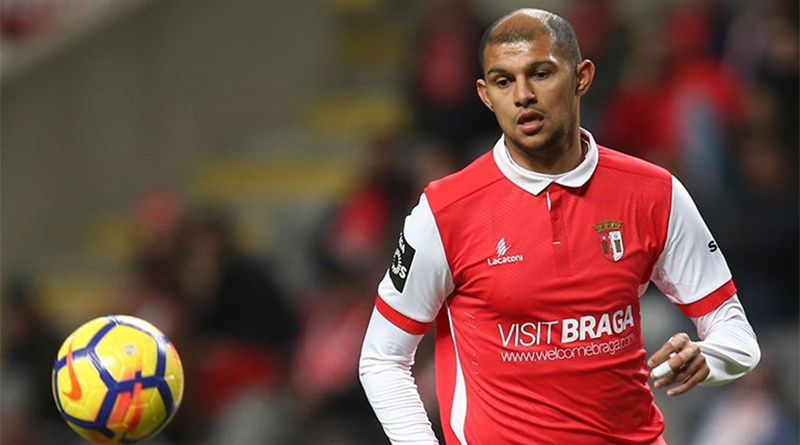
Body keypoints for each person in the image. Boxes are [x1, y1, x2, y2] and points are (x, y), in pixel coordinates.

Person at [359, 8, 760, 445]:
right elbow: (382, 358)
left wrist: (709, 359)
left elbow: (735, 332)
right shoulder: (445, 211)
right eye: (503, 81)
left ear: (581, 77)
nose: (523, 95)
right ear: (486, 95)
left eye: (540, 74)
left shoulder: (654, 193)